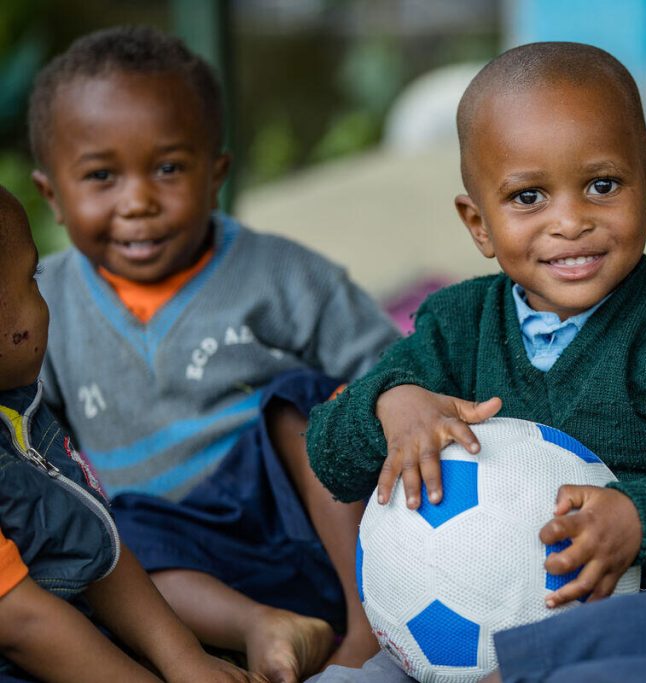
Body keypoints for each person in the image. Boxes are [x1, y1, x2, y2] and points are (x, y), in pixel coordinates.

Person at [305, 42, 646, 681]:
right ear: (479, 225)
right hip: (450, 640)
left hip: (639, 633)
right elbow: (330, 456)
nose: (570, 221)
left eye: (602, 186)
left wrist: (642, 520)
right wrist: (391, 405)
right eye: (529, 197)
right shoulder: (457, 324)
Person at [27, 26, 398, 683]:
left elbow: (392, 371)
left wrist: (367, 404)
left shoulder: (280, 272)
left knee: (301, 399)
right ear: (53, 195)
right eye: (101, 176)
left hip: (314, 529)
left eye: (168, 168)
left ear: (216, 174)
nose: (138, 200)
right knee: (103, 533)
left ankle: (370, 628)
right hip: (180, 567)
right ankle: (263, 628)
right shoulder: (42, 305)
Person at [0, 185, 263, 683]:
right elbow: (21, 622)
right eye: (32, 279)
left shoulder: (18, 414)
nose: (44, 299)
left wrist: (185, 661)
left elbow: (91, 544)